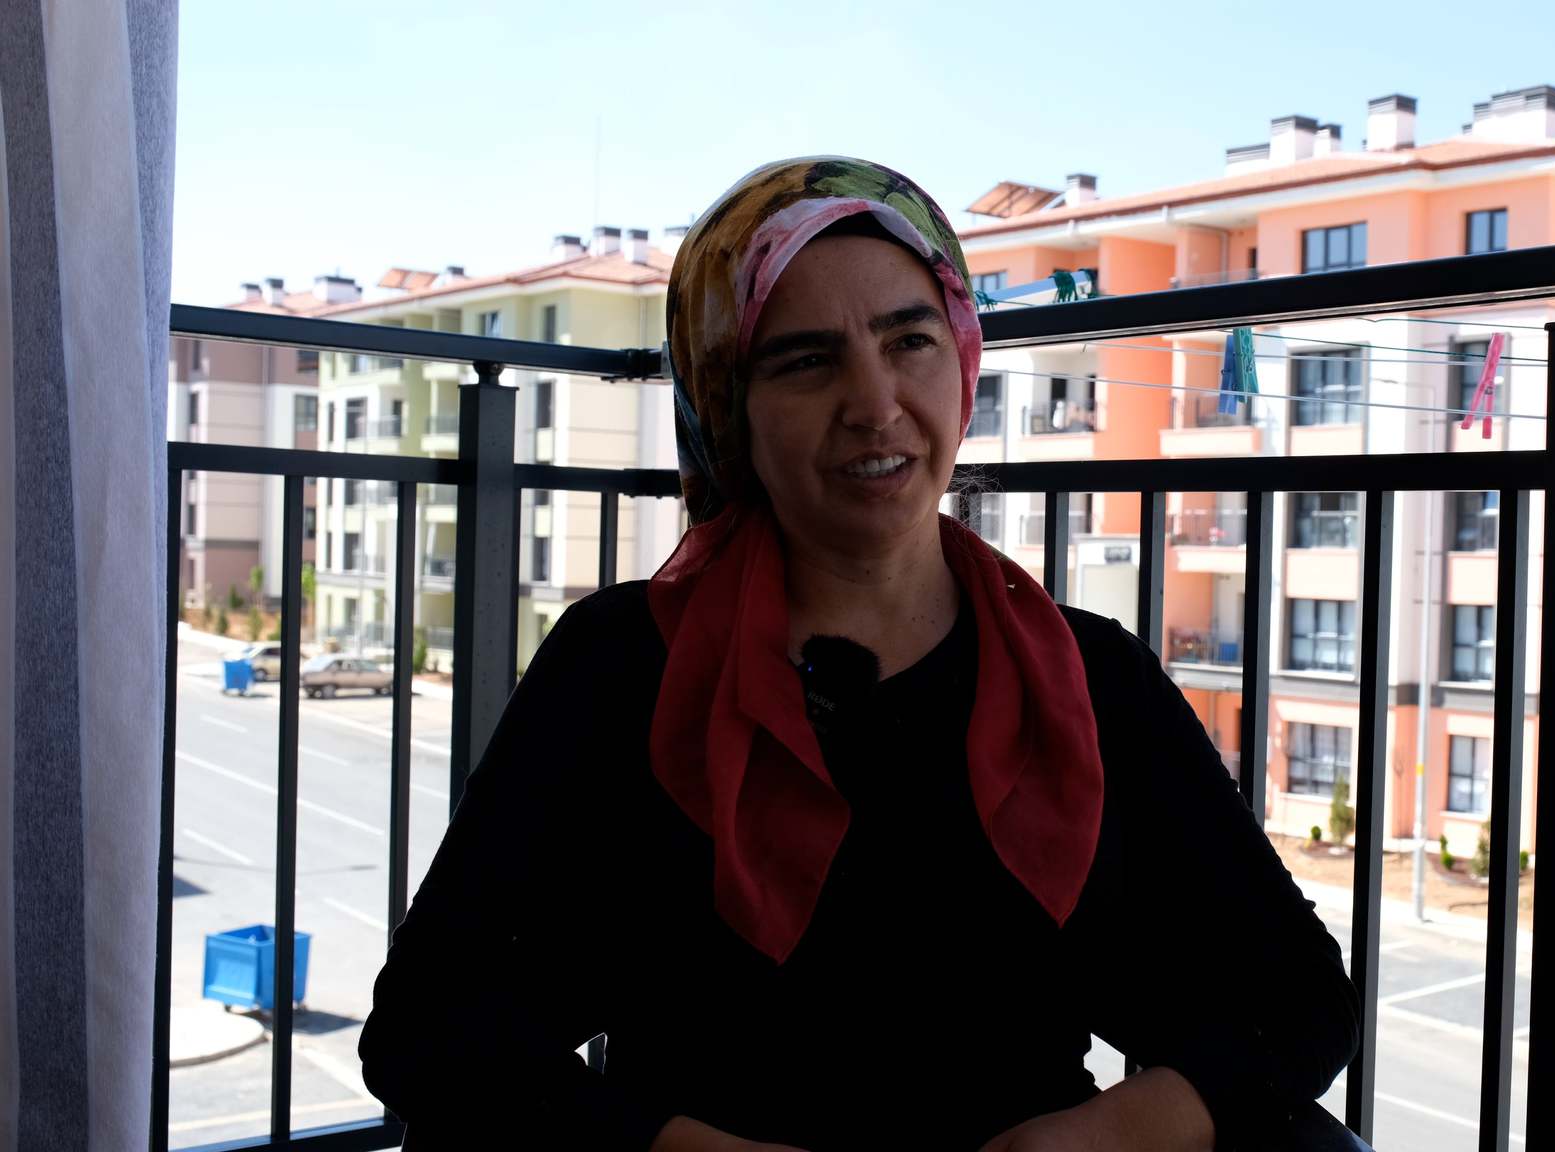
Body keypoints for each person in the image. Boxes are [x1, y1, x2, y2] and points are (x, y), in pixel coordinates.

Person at [359, 157, 1359, 1151]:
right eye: (806, 361)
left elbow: (1297, 996)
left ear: (962, 362)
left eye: (909, 340)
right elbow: (429, 1023)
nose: (875, 404)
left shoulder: (1087, 679)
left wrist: (1110, 1132)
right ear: (728, 405)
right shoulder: (625, 666)